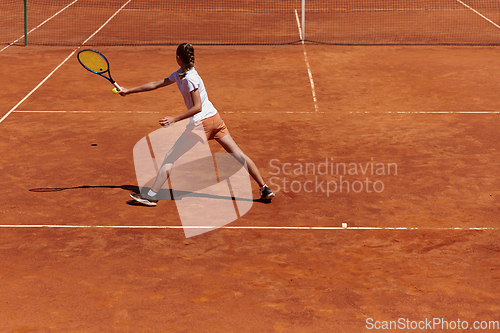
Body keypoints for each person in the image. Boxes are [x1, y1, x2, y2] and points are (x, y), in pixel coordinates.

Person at [118, 43, 274, 206]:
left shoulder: (189, 78)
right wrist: (129, 90)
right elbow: (156, 84)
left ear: (178, 58)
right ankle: (264, 188)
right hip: (215, 119)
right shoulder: (181, 74)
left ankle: (151, 196)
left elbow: (197, 107)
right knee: (237, 153)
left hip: (201, 124)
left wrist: (175, 119)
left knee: (170, 157)